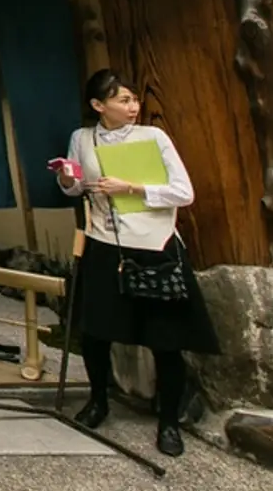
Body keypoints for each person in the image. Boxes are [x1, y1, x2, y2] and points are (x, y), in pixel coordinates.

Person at [54, 68, 220, 457]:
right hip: (104, 241)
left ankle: (169, 421)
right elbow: (76, 188)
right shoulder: (83, 138)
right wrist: (67, 178)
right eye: (123, 100)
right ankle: (98, 400)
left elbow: (184, 191)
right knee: (96, 332)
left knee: (166, 338)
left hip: (154, 243)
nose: (133, 107)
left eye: (133, 100)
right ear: (99, 105)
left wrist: (132, 187)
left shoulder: (153, 137)